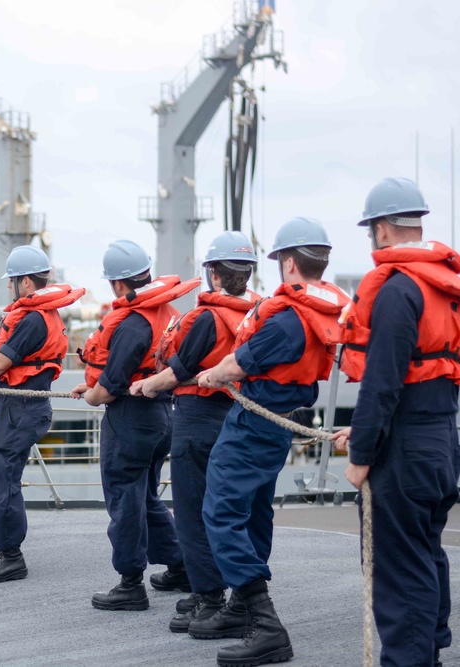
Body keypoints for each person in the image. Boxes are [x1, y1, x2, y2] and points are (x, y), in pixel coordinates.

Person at [193, 218, 348, 666]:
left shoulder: (289, 322)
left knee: (220, 511)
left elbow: (239, 365)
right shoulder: (316, 313)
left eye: (281, 259)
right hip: (278, 422)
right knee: (253, 508)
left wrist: (211, 375)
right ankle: (243, 607)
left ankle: (265, 623)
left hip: (254, 422)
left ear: (290, 262)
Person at [334, 177, 460, 667]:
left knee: (398, 569)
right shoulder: (443, 288)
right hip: (441, 439)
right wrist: (366, 434)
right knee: (426, 553)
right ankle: (428, 652)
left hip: (404, 452)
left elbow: (382, 383)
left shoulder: (397, 291)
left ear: (382, 230)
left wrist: (362, 454)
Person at [130, 231, 259, 631]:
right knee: (223, 508)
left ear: (214, 274)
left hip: (198, 417)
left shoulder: (208, 316)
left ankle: (208, 596)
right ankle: (221, 589)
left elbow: (181, 368)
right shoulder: (256, 312)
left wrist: (146, 385)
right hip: (235, 416)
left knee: (193, 510)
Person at [72, 240, 199, 611]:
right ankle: (180, 566)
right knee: (145, 496)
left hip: (130, 419)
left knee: (124, 498)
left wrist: (95, 395)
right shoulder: (166, 311)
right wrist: (97, 386)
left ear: (116, 284)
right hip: (162, 415)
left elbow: (111, 387)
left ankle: (130, 584)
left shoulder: (131, 322)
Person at [0, 245, 84, 584]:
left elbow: (2, 361)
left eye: (11, 281)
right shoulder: (31, 314)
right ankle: (0, 545)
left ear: (25, 282)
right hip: (8, 405)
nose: (9, 287)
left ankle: (12, 557)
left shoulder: (36, 319)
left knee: (3, 479)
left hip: (24, 406)